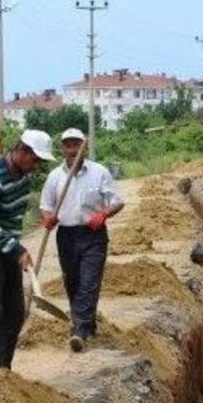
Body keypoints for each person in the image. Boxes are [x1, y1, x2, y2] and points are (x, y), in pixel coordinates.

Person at [0, 129, 54, 374]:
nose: (35, 166)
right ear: (20, 150)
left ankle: (3, 371)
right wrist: (16, 250)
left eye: (40, 162)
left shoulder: (23, 179)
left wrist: (16, 250)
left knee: (14, 313)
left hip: (6, 247)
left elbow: (13, 219)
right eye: (34, 159)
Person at [40, 128, 125, 352]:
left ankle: (79, 330)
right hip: (66, 236)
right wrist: (48, 219)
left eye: (76, 144)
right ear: (62, 148)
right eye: (68, 145)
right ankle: (87, 323)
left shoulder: (99, 172)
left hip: (93, 234)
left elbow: (117, 201)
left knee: (89, 281)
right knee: (73, 282)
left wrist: (104, 213)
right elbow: (46, 208)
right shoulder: (54, 177)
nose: (72, 149)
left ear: (83, 147)